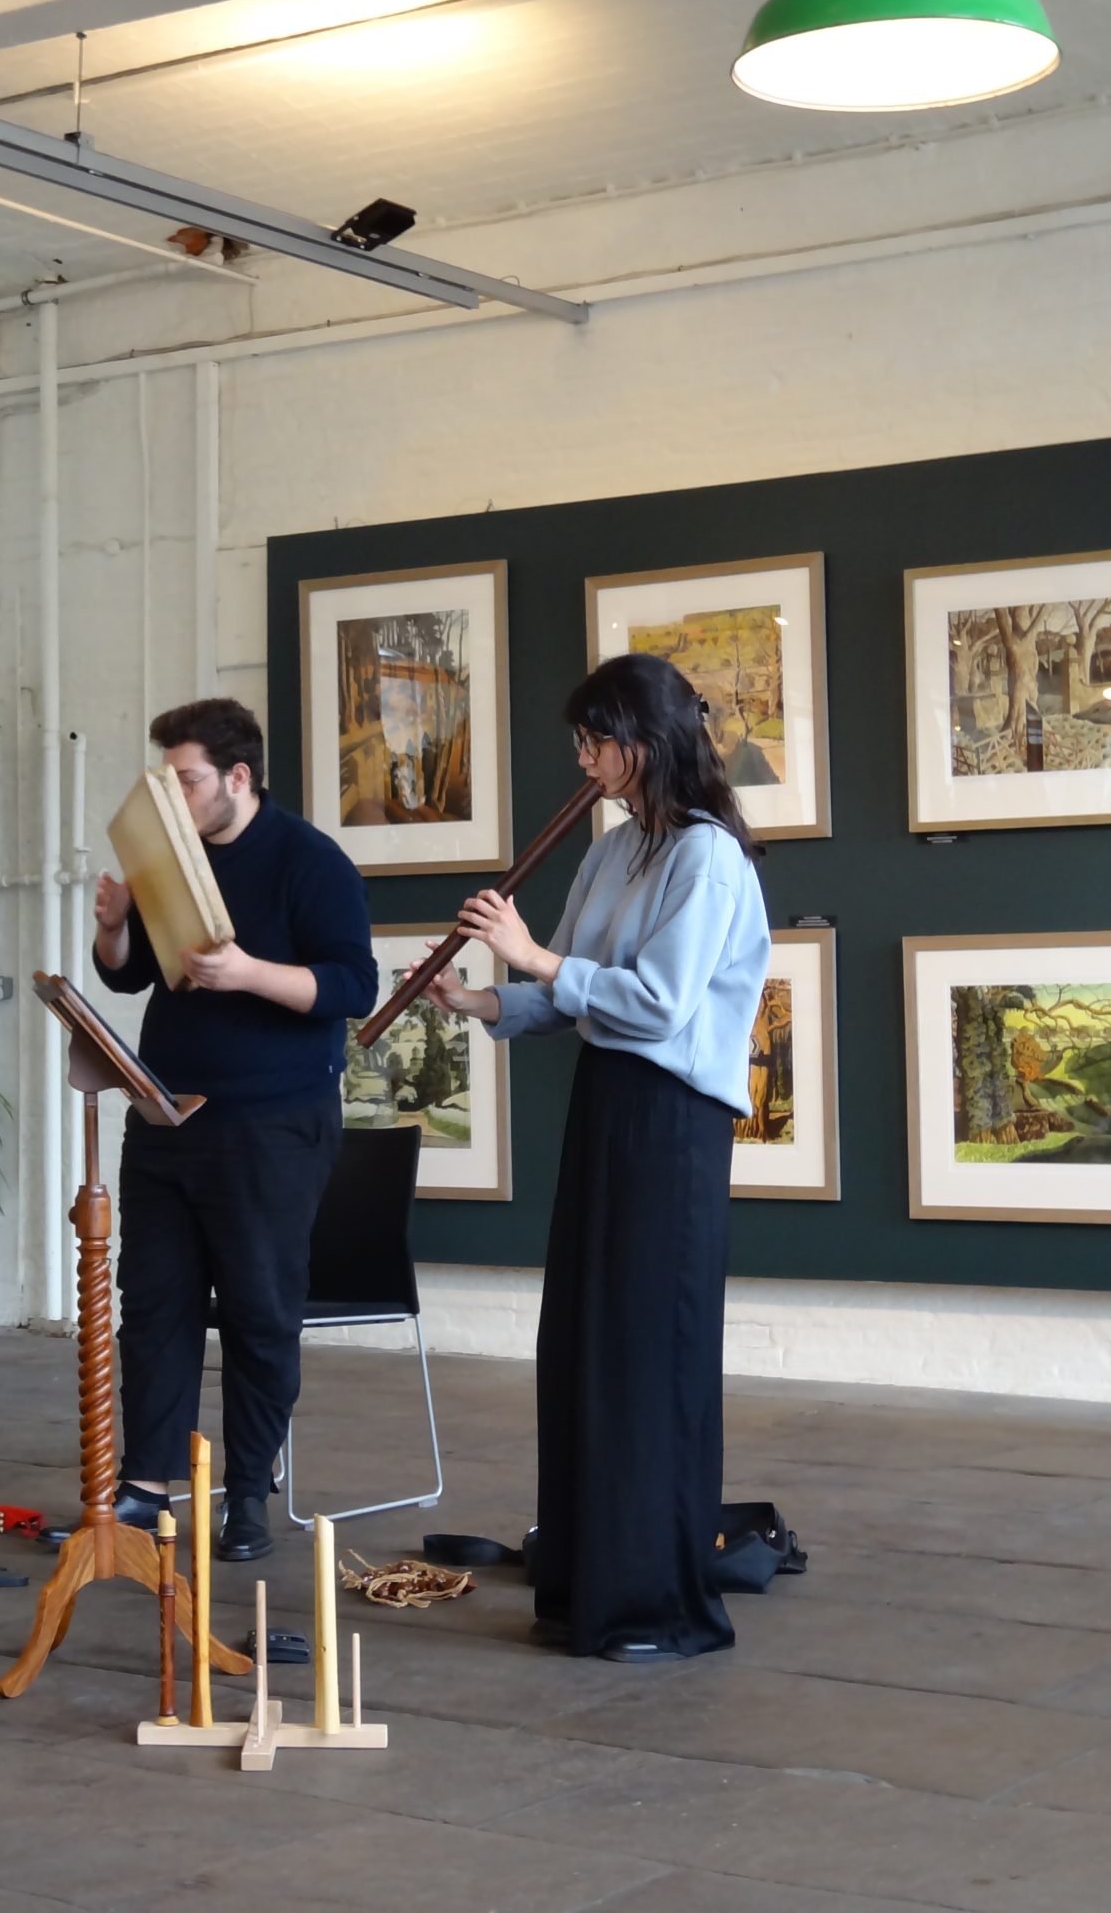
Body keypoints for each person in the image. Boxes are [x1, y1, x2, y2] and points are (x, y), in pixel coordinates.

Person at [428, 655, 771, 1661]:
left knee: (648, 1354)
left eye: (595, 742)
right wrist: (478, 998)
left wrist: (531, 953)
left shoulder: (707, 857)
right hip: (607, 1106)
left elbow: (657, 1005)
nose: (583, 761)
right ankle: (587, 1584)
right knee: (586, 1343)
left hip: (672, 1122)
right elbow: (564, 995)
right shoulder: (615, 851)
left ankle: (656, 1604)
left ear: (645, 743)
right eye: (580, 743)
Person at [92, 699, 376, 1560]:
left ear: (238, 778)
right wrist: (112, 926)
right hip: (165, 1112)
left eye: (186, 781)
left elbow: (351, 988)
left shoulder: (309, 861)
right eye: (167, 782)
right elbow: (126, 978)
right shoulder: (168, 860)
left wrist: (249, 972)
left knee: (259, 1312)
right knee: (154, 1306)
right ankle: (146, 1486)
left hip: (272, 1123)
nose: (173, 798)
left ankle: (247, 1492)